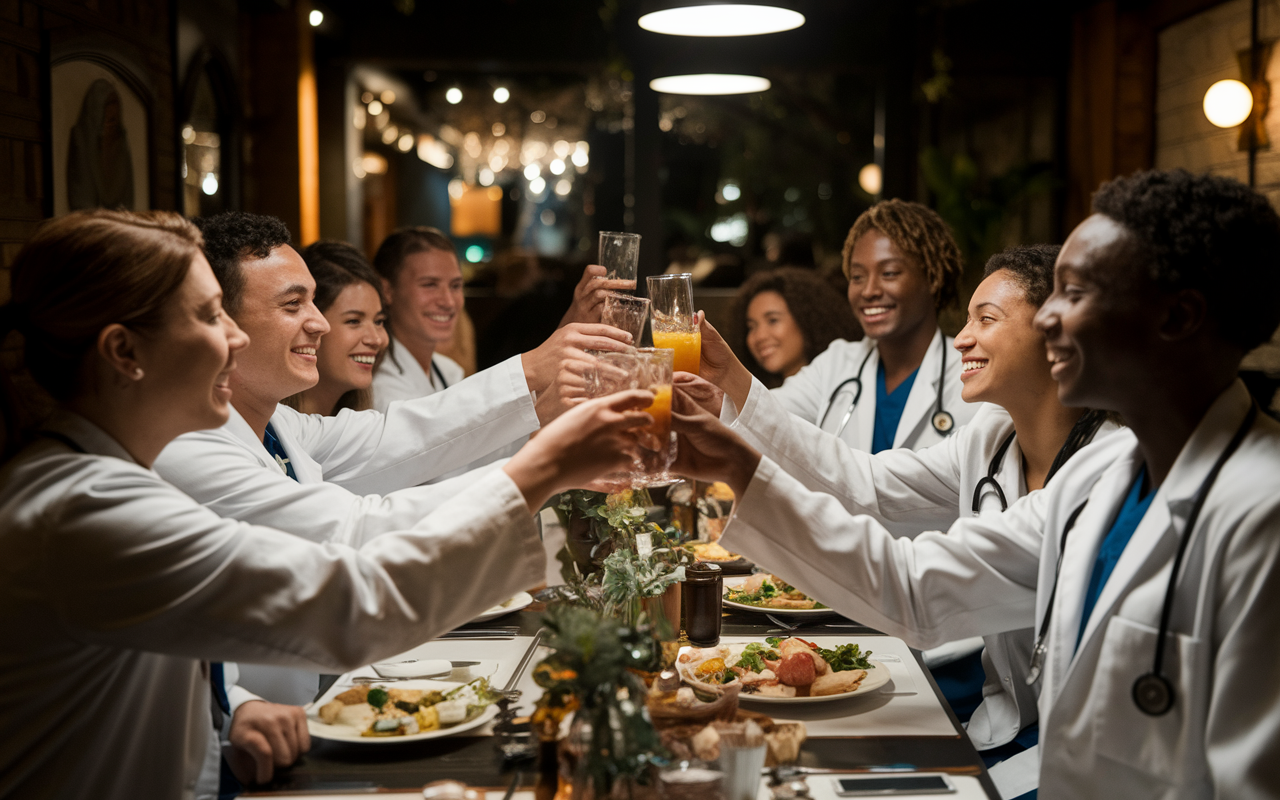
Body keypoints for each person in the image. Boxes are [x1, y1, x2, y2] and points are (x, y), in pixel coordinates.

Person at [0, 209, 655, 800]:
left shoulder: (97, 476)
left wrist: (229, 706)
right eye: (207, 315)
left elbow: (400, 439)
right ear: (124, 352)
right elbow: (353, 601)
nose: (231, 338)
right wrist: (545, 469)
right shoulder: (86, 509)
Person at [671, 169, 1280, 798]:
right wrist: (736, 450)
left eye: (1077, 294)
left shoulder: (1261, 512)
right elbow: (907, 574)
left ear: (1177, 316)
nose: (1052, 322)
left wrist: (738, 466)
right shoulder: (1103, 479)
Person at [692, 244, 1114, 799]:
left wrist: (736, 466)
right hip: (1002, 726)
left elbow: (916, 588)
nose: (962, 338)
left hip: (1068, 758)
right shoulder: (989, 436)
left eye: (985, 320)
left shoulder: (1102, 473)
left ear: (1056, 332)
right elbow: (863, 486)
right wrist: (737, 386)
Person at [153, 212, 627, 705]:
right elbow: (354, 529)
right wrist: (548, 468)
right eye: (294, 305)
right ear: (219, 326)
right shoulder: (188, 447)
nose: (318, 323)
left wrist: (529, 377)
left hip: (310, 692)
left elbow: (396, 435)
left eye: (314, 303)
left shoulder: (279, 424)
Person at [771, 200, 980, 453]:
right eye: (857, 277)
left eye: (889, 273)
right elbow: (762, 415)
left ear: (932, 278)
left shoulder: (973, 373)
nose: (869, 291)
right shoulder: (836, 365)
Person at [286, 240, 389, 415]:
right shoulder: (270, 433)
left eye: (378, 321)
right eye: (354, 321)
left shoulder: (366, 422)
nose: (376, 339)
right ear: (312, 325)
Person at [728, 266, 860, 388]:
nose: (759, 336)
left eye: (773, 320)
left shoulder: (843, 391)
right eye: (751, 327)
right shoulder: (750, 397)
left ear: (808, 319)